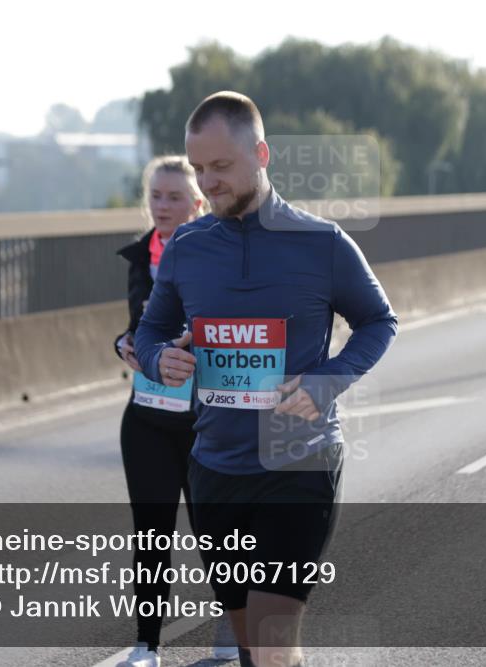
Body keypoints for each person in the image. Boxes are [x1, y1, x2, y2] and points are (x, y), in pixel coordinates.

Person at [135, 91, 398, 667]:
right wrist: (159, 360)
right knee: (252, 647)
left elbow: (379, 321)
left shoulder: (323, 243)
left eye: (221, 167)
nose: (208, 183)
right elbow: (152, 331)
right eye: (199, 168)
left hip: (296, 464)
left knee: (274, 645)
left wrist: (326, 382)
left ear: (261, 154)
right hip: (214, 469)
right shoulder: (186, 246)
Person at [113, 156, 236, 667]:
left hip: (206, 417)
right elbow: (134, 327)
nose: (162, 206)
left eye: (174, 197)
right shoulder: (142, 257)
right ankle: (147, 646)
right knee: (151, 531)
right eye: (156, 196)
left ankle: (234, 621)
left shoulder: (224, 253)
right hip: (146, 416)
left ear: (198, 204)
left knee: (216, 529)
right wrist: (121, 343)